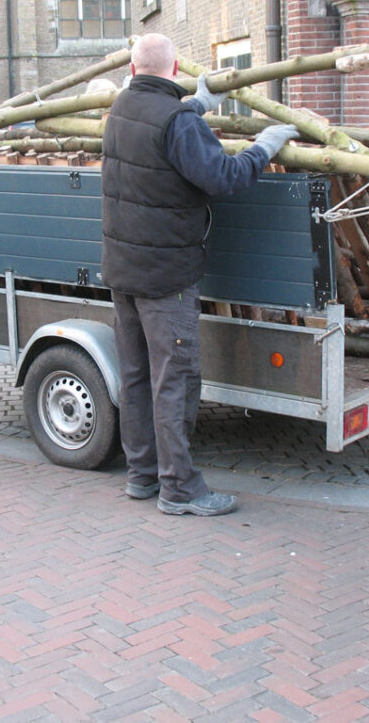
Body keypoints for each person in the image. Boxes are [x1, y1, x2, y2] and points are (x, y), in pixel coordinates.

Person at [101, 33, 299, 516]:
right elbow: (222, 177)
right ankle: (181, 490)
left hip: (124, 272)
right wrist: (264, 146)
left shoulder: (121, 109)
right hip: (167, 276)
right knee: (175, 380)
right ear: (173, 71)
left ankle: (142, 475)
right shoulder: (176, 119)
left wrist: (198, 106)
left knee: (137, 378)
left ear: (132, 70)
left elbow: (164, 135)